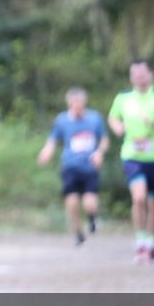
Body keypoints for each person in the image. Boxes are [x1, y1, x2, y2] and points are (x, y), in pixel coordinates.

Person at [107, 59, 154, 264]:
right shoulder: (123, 98)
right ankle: (140, 242)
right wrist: (117, 128)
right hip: (132, 155)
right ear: (131, 77)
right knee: (139, 198)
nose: (138, 77)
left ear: (150, 75)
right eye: (135, 74)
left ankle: (152, 241)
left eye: (142, 73)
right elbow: (113, 117)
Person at [37, 87, 109, 245]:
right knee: (72, 203)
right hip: (70, 166)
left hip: (89, 166)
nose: (76, 105)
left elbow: (104, 139)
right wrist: (46, 152)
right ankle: (78, 233)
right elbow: (53, 140)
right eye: (73, 102)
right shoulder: (62, 120)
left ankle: (92, 219)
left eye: (79, 102)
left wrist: (99, 153)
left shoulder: (94, 118)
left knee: (89, 203)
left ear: (84, 102)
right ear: (69, 103)